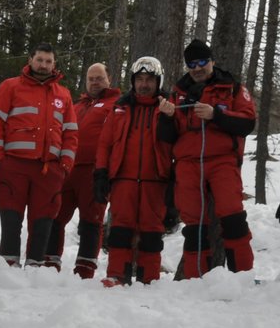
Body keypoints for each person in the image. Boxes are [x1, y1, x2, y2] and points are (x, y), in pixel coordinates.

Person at [160, 38, 256, 278]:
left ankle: (241, 275)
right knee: (194, 226)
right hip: (188, 164)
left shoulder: (231, 87)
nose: (197, 67)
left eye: (202, 61)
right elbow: (166, 137)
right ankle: (194, 278)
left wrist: (217, 115)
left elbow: (247, 123)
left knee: (233, 216)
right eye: (192, 63)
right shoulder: (177, 92)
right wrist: (166, 117)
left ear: (212, 61)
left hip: (222, 160)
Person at [0, 45, 78, 266]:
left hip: (48, 169)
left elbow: (71, 132)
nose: (44, 65)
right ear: (30, 60)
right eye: (40, 60)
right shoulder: (10, 87)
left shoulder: (63, 94)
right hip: (14, 165)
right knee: (11, 218)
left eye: (48, 61)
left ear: (54, 64)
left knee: (42, 220)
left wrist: (65, 164)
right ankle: (8, 265)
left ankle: (35, 266)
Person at [95, 57, 176, 283]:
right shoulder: (120, 107)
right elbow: (105, 143)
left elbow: (178, 144)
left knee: (152, 232)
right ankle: (116, 275)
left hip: (156, 181)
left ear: (158, 81)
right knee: (120, 229)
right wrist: (101, 173)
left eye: (149, 79)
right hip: (123, 179)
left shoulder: (169, 108)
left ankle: (148, 279)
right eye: (139, 79)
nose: (144, 84)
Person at [47, 62, 119, 277]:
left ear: (109, 79)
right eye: (91, 78)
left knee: (91, 220)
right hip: (68, 170)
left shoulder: (116, 104)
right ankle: (49, 264)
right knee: (56, 216)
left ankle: (85, 269)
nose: (95, 82)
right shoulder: (77, 106)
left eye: (99, 78)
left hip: (95, 172)